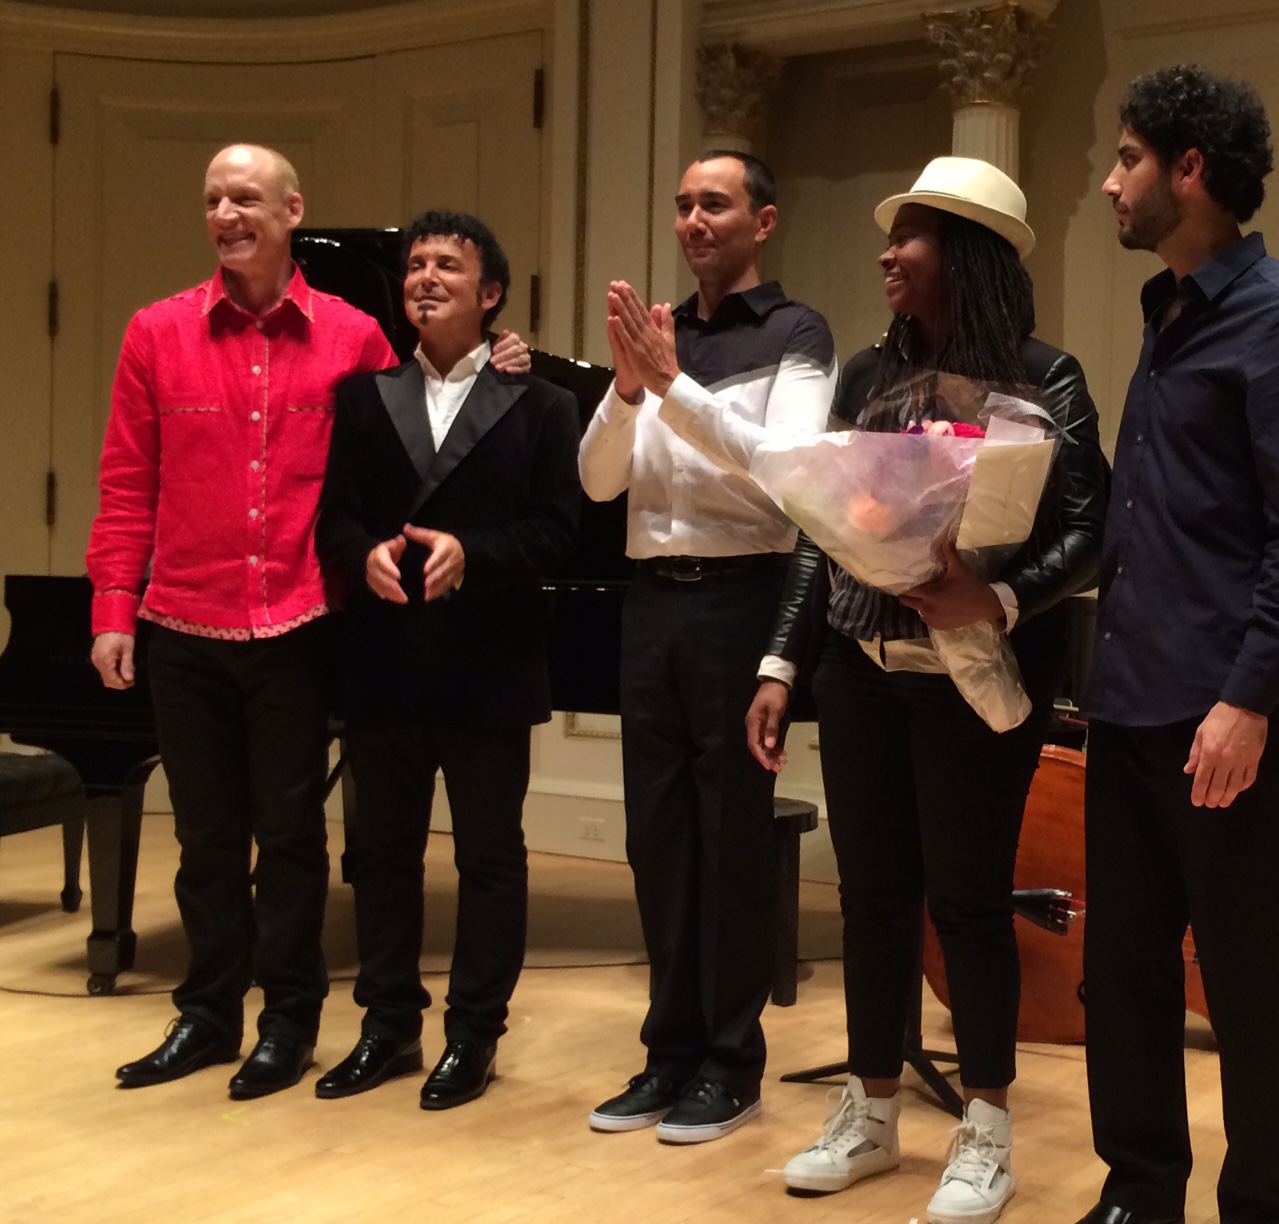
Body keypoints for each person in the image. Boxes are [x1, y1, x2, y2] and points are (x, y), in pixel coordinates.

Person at [87, 144, 530, 1100]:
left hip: (297, 622)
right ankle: (206, 1016)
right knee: (204, 841)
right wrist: (112, 607)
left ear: (293, 211)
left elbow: (417, 451)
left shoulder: (355, 338)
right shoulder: (154, 332)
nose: (225, 213)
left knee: (290, 839)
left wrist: (502, 369)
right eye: (212, 199)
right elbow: (127, 483)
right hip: (183, 620)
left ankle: (287, 1022)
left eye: (245, 198)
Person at [736, 156, 1108, 1224]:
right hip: (862, 674)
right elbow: (820, 534)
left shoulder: (1049, 377)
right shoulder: (864, 378)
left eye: (911, 238)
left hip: (973, 684)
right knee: (873, 901)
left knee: (971, 905)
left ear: (965, 255)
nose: (889, 254)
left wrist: (990, 598)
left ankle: (986, 1133)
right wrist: (779, 663)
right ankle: (872, 1108)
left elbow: (1088, 534)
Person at [1075, 66, 1279, 1224]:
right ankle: (1142, 1192)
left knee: (1240, 981)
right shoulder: (1168, 310)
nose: (1110, 181)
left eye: (1128, 157)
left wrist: (1246, 703)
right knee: (1124, 973)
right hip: (1130, 697)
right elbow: (1146, 519)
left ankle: (1264, 1210)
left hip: (1223, 717)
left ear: (1189, 169)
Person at [578, 151, 836, 1143]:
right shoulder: (657, 339)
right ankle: (668, 1054)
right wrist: (628, 392)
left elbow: (787, 477)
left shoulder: (797, 332)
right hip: (653, 605)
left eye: (714, 204)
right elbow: (599, 483)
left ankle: (731, 1062)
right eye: (683, 205)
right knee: (658, 838)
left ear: (761, 221)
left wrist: (675, 387)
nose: (693, 221)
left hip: (742, 599)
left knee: (730, 839)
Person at [312, 212, 579, 1109]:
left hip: (488, 667)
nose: (425, 277)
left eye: (448, 266)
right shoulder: (361, 397)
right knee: (379, 857)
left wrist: (475, 551)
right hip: (384, 662)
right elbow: (336, 517)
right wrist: (361, 558)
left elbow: (557, 534)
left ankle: (473, 1036)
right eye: (416, 265)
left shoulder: (541, 403)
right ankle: (386, 1026)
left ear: (490, 294)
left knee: (489, 861)